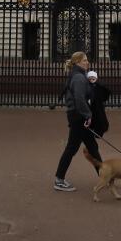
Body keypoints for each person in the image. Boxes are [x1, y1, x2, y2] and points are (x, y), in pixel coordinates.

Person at [52, 51, 102, 192]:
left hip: (77, 115)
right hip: (78, 116)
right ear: (78, 62)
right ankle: (59, 180)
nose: (87, 62)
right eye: (85, 60)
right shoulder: (79, 77)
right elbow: (80, 99)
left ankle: (104, 175)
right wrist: (87, 115)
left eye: (87, 60)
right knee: (72, 148)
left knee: (92, 146)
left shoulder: (77, 75)